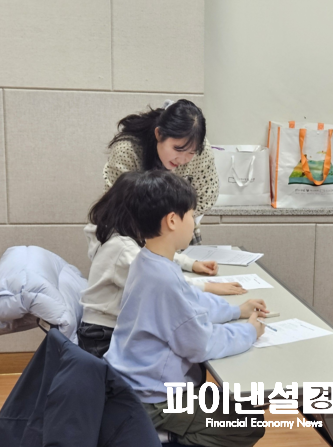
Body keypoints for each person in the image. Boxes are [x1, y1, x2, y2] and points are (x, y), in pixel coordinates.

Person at [104, 170, 267, 447]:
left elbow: (192, 301)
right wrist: (249, 332)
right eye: (191, 215)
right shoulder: (162, 277)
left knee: (243, 407)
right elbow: (200, 343)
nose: (194, 222)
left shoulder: (149, 261)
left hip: (135, 385)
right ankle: (162, 437)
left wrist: (236, 311)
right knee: (247, 424)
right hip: (155, 399)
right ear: (172, 220)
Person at [78, 171, 246, 358]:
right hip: (103, 336)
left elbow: (159, 254)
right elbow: (194, 335)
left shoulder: (125, 239)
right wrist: (211, 288)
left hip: (112, 330)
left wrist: (192, 264)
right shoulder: (122, 248)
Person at [103, 99, 218, 244]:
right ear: (159, 134)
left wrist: (175, 222)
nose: (182, 159)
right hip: (132, 231)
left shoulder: (201, 150)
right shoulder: (127, 150)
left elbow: (206, 196)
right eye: (177, 149)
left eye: (190, 152)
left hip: (178, 228)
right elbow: (118, 203)